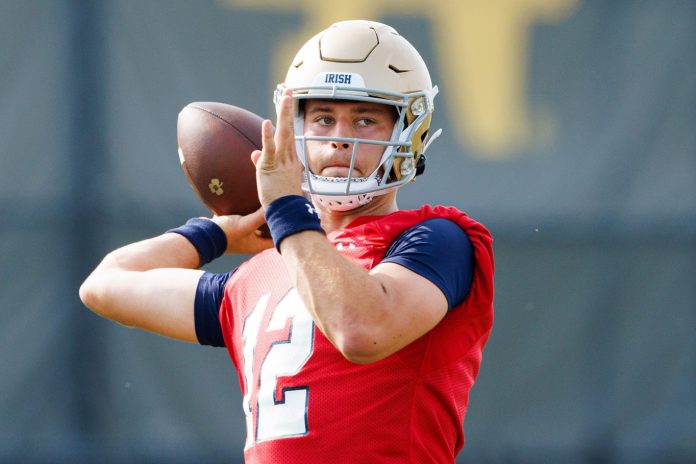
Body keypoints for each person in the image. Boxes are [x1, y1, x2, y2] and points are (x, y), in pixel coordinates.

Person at [80, 19, 494, 463]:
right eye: (323, 118)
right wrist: (220, 232)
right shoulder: (260, 274)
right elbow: (106, 284)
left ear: (408, 133)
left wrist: (288, 214)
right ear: (292, 130)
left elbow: (362, 330)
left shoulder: (436, 239)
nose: (339, 139)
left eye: (365, 119)